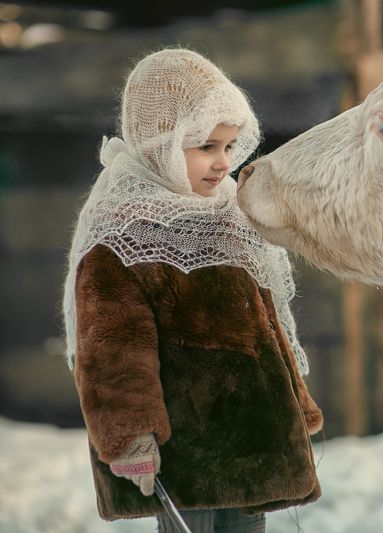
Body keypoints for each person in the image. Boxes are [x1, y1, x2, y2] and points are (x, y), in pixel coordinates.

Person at [62, 48, 323, 532]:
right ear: (159, 142)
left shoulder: (231, 216)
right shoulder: (121, 231)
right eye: (206, 147)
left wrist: (297, 402)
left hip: (256, 439)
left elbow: (266, 320)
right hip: (187, 452)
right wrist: (129, 437)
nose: (223, 163)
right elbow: (112, 349)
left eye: (229, 146)